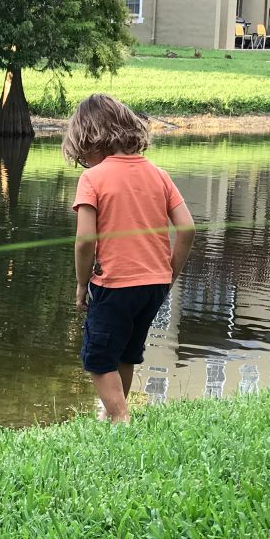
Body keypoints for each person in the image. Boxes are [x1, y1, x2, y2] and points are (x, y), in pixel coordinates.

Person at [63, 94, 195, 423]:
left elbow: (85, 242)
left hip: (115, 284)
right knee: (125, 351)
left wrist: (82, 283)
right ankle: (113, 417)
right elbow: (188, 228)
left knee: (96, 357)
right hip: (153, 286)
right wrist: (169, 275)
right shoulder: (158, 174)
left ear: (87, 139)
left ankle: (121, 417)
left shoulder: (92, 179)